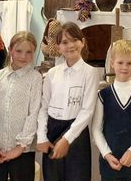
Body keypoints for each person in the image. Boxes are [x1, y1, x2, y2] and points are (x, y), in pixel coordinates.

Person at [37, 22, 99, 181]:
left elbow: (87, 111)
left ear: (82, 42)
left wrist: (67, 139)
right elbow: (44, 107)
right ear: (58, 47)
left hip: (76, 132)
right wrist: (42, 136)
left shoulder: (90, 73)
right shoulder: (52, 74)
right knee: (52, 176)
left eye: (74, 40)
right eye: (64, 42)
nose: (70, 45)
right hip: (52, 130)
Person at [0, 32, 43, 181]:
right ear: (10, 50)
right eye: (19, 51)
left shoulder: (35, 78)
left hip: (22, 152)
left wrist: (20, 147)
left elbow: (34, 113)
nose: (23, 56)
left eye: (29, 52)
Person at [92, 39, 131, 181]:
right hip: (110, 162)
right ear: (112, 63)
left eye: (129, 63)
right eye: (120, 62)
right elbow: (96, 128)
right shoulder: (103, 95)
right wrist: (107, 154)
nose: (124, 67)